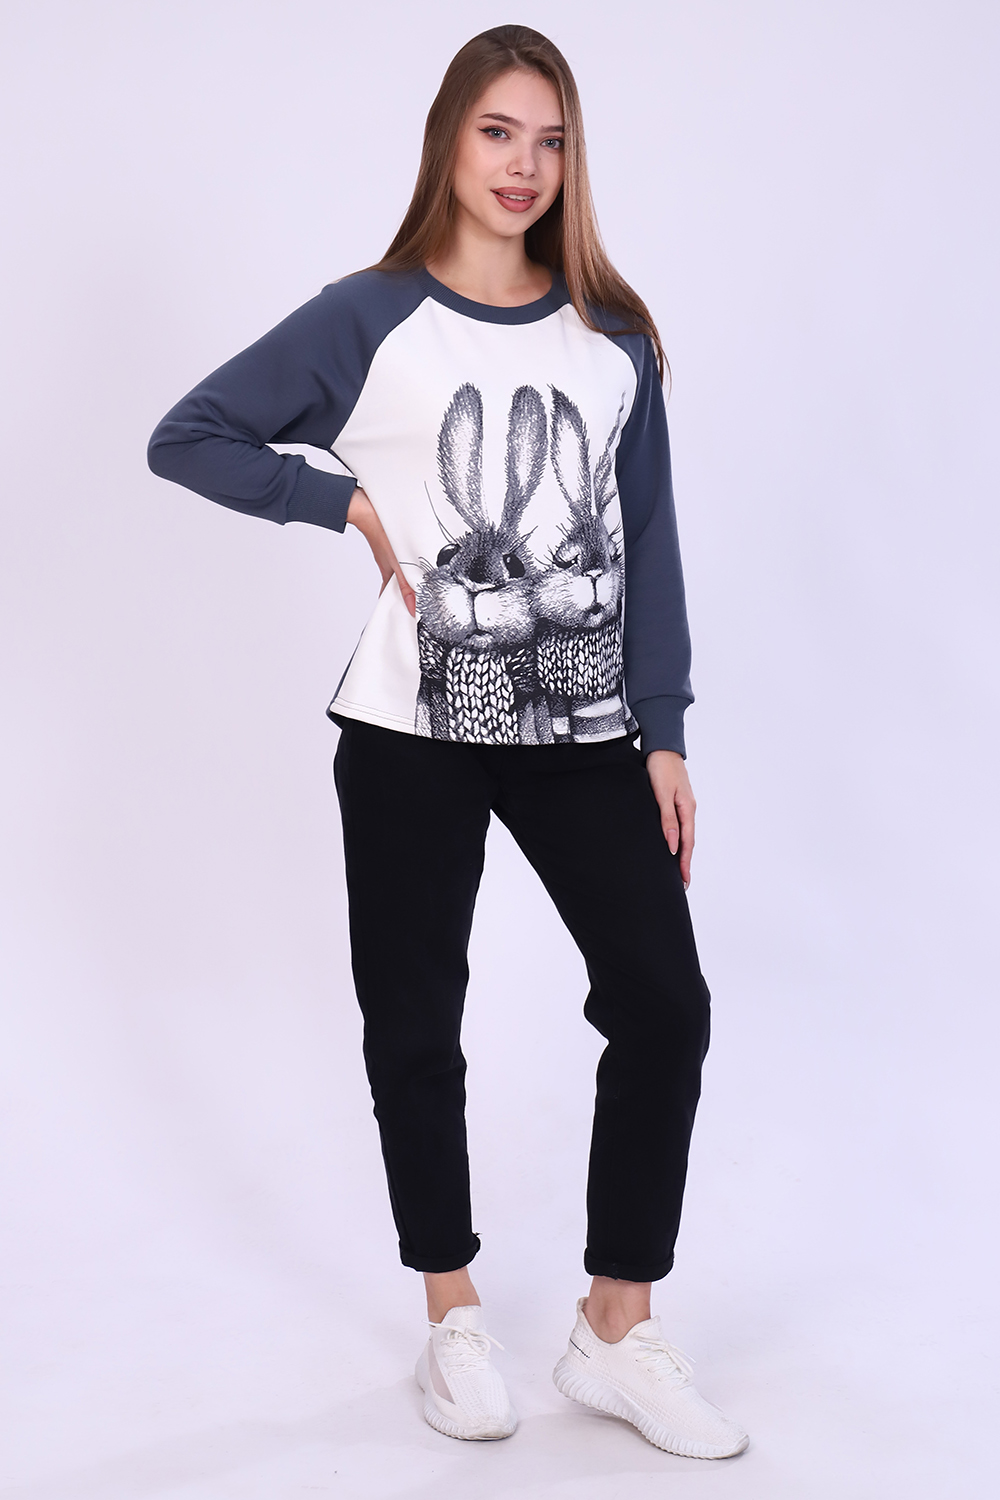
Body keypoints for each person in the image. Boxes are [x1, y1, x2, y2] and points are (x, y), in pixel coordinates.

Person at [147, 24, 748, 1460]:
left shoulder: (614, 335)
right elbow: (190, 434)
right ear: (448, 140)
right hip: (406, 728)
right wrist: (343, 505)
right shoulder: (367, 318)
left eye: (550, 141)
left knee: (663, 1002)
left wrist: (662, 731)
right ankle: (452, 1311)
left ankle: (616, 1325)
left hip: (584, 723)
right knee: (416, 1020)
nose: (523, 166)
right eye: (498, 133)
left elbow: (648, 542)